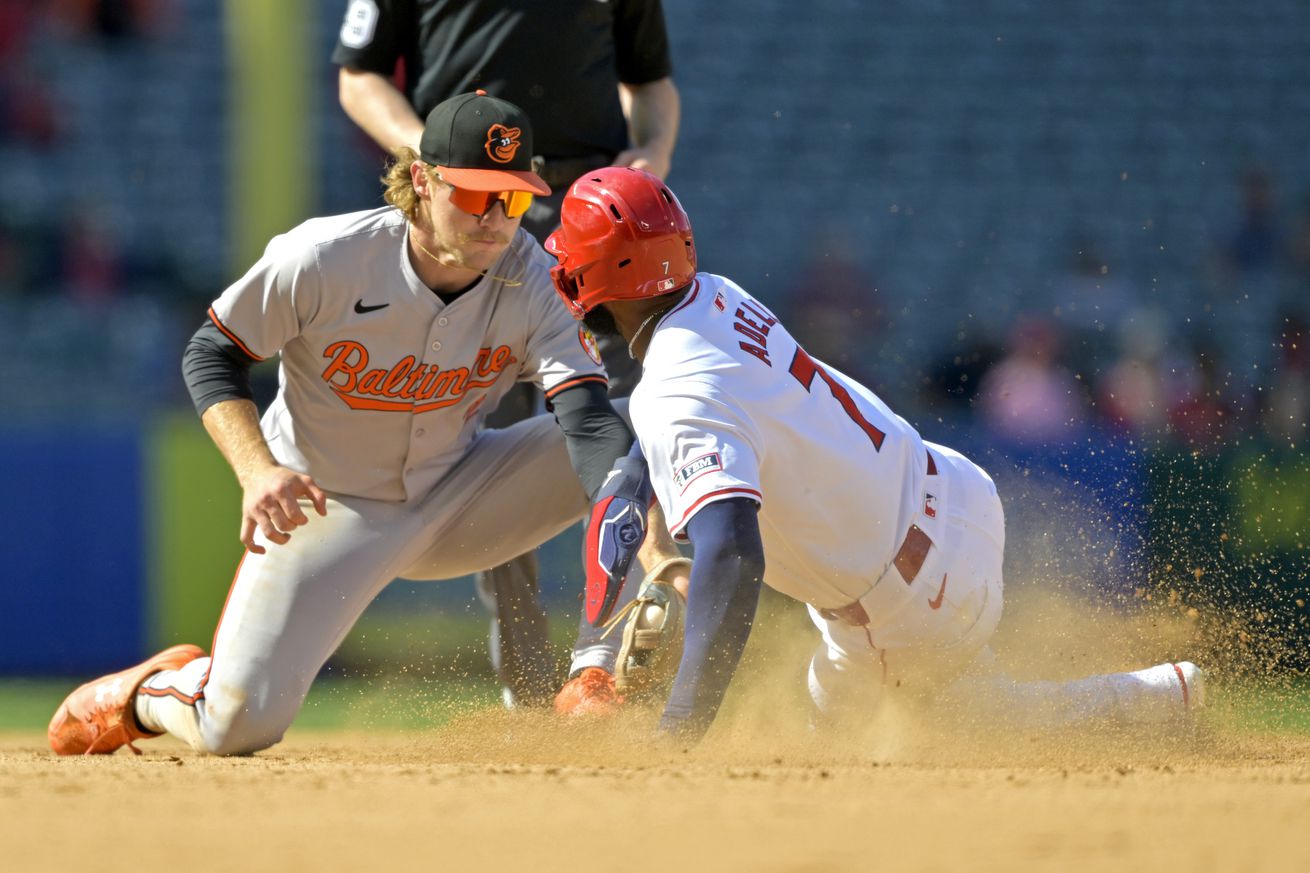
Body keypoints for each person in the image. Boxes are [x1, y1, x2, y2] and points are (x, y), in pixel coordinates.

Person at [46, 92, 647, 757]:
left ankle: (600, 668)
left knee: (645, 422)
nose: (495, 219)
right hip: (324, 507)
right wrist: (257, 470)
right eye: (476, 195)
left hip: (462, 494)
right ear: (422, 180)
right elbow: (212, 353)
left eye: (511, 199)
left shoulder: (532, 277)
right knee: (234, 726)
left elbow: (588, 423)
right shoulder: (325, 256)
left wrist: (646, 539)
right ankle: (147, 693)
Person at [544, 167, 1206, 741]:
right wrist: (600, 636)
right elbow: (648, 455)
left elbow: (734, 554)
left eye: (573, 261)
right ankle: (1165, 698)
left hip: (909, 601)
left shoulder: (676, 388)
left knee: (846, 751)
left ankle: (1149, 702)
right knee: (952, 717)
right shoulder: (715, 296)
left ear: (599, 276)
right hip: (954, 498)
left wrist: (679, 729)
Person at [332, 0, 682, 710]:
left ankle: (612, 661)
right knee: (489, 453)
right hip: (466, 216)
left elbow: (650, 80)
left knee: (618, 424)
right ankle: (526, 685)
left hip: (591, 209)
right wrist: (438, 155)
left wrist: (653, 152)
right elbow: (357, 76)